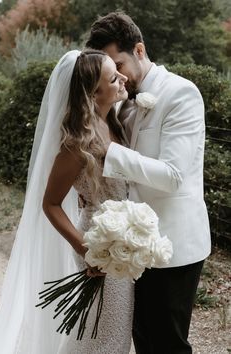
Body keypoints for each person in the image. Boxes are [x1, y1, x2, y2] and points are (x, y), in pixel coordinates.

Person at [86, 12, 211, 354]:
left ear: (139, 50)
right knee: (142, 341)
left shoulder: (181, 94)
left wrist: (109, 152)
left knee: (167, 344)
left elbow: (172, 176)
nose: (117, 76)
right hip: (131, 246)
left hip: (174, 246)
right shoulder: (122, 102)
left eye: (119, 63)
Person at [0, 49, 134, 354]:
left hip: (124, 241)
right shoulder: (77, 144)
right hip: (99, 243)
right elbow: (51, 203)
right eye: (113, 78)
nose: (124, 77)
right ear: (92, 95)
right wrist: (84, 247)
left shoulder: (114, 120)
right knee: (105, 336)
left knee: (110, 332)